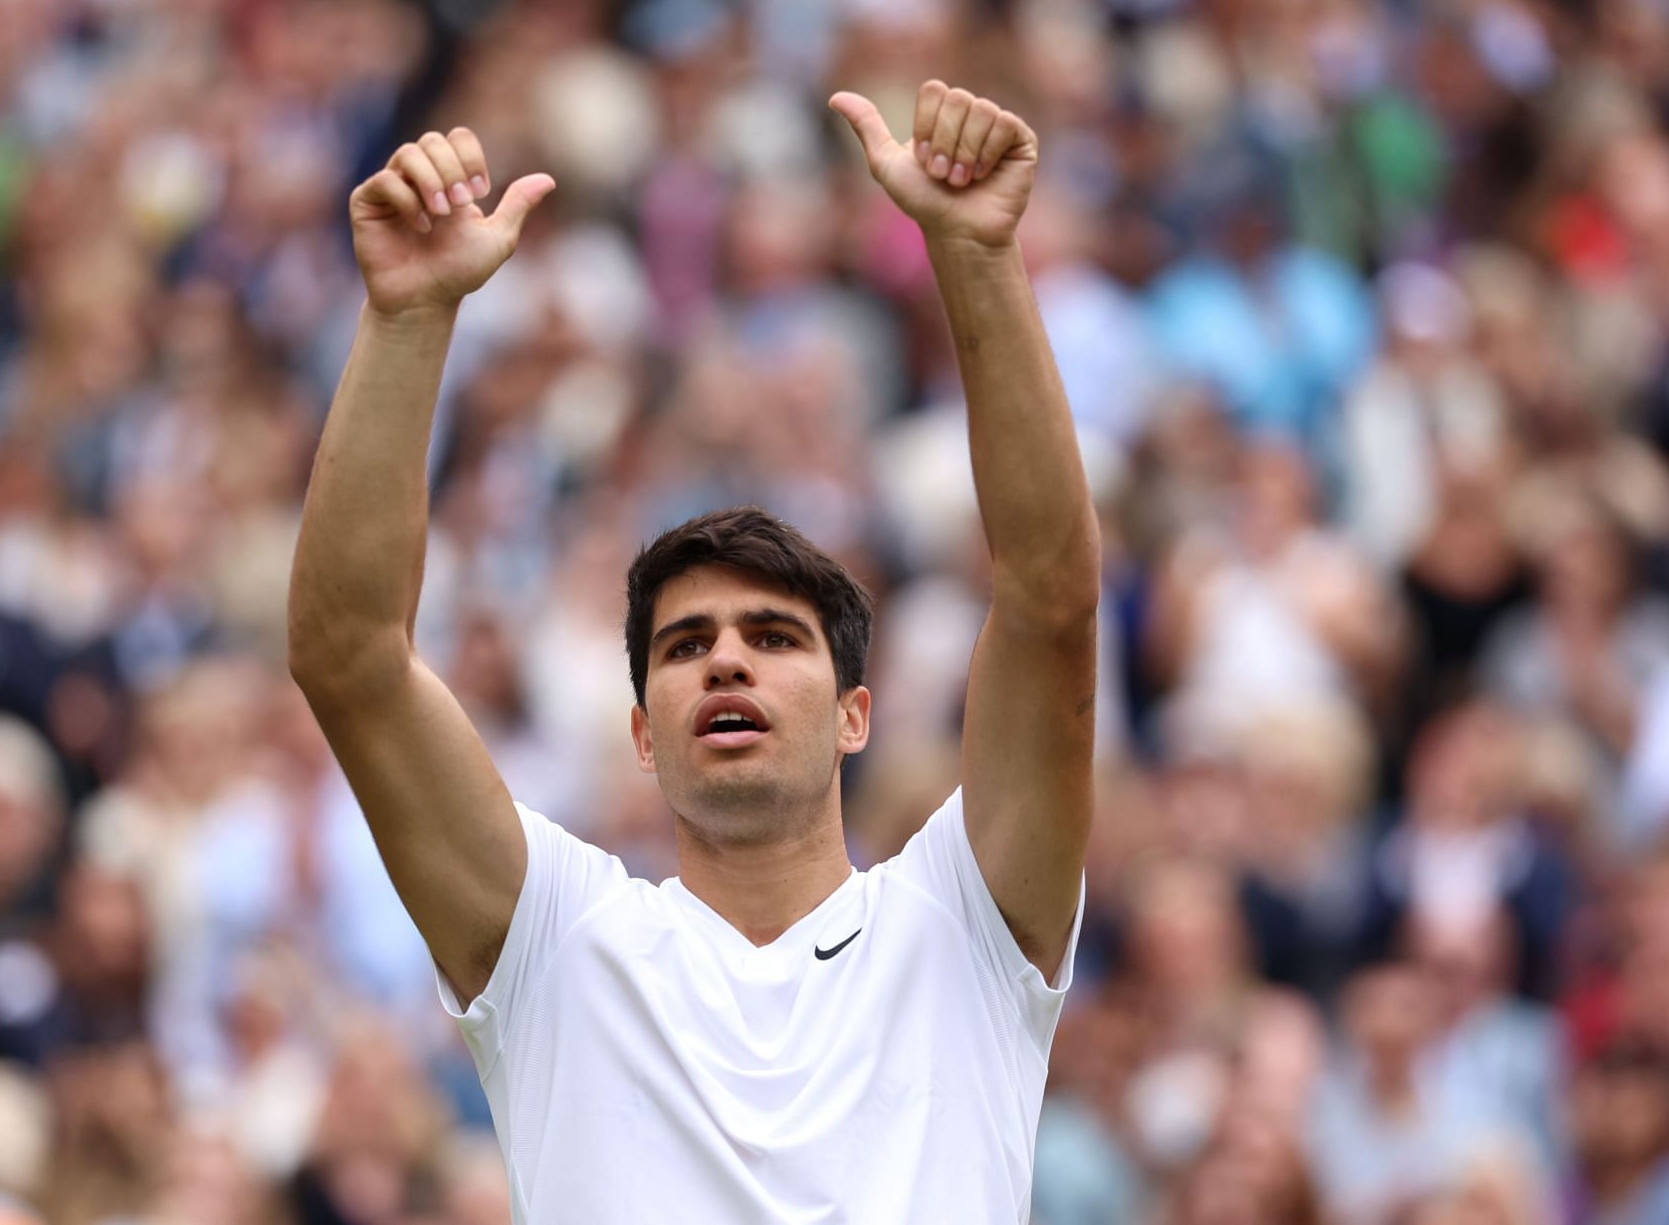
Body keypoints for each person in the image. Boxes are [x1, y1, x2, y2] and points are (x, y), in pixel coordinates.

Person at [287, 80, 1100, 1222]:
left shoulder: (967, 923)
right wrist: (408, 320)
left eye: (774, 638)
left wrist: (975, 256)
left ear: (856, 714)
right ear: (640, 735)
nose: (726, 662)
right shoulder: (560, 942)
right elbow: (349, 659)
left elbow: (1049, 602)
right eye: (682, 648)